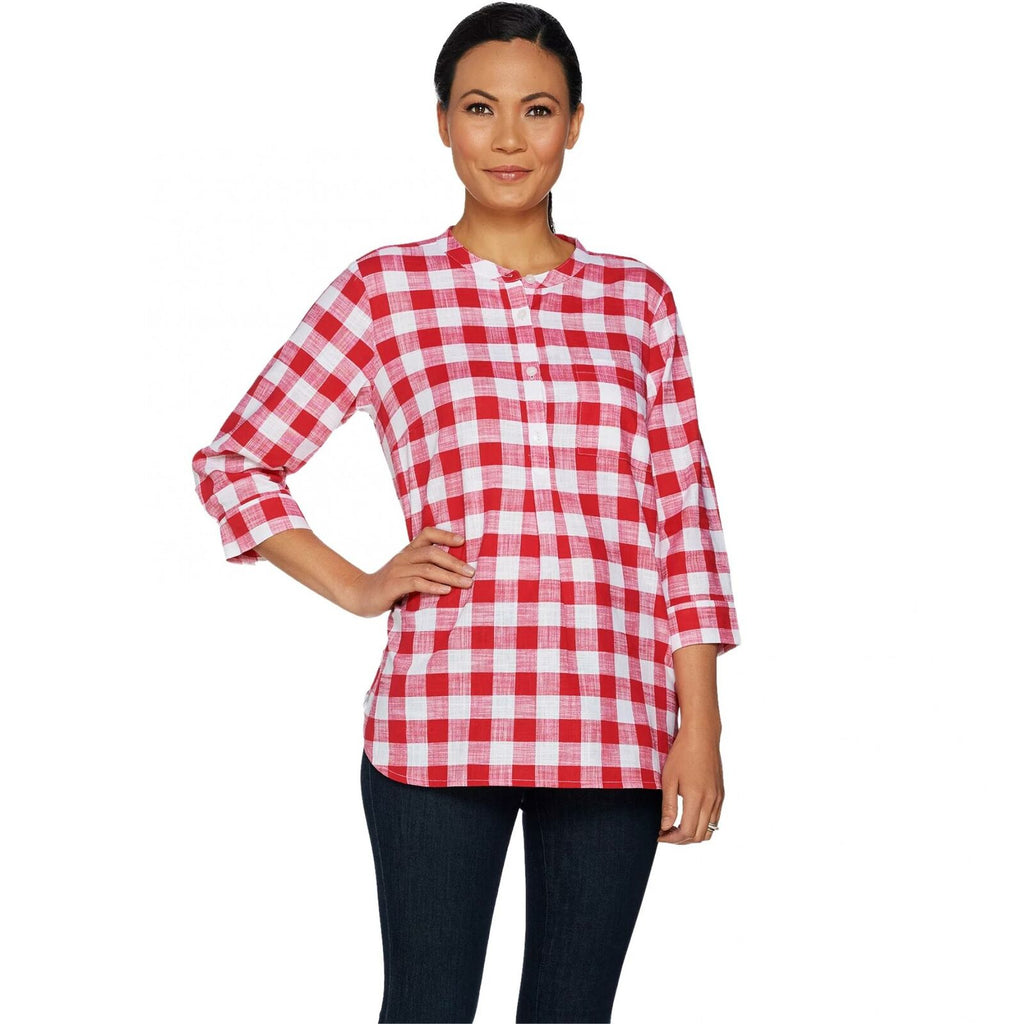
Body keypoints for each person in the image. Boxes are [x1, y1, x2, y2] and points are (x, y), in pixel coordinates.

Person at [191, 3, 741, 1021]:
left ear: (575, 124)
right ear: (442, 121)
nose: (508, 138)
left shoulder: (638, 299)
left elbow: (685, 513)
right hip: (440, 719)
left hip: (615, 719)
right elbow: (237, 461)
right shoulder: (385, 289)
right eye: (480, 108)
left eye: (538, 110)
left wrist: (698, 724)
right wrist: (359, 586)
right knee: (427, 1008)